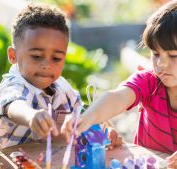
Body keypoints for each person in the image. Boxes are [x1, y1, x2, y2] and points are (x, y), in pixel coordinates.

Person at [0, 3, 121, 149]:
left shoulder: (63, 88)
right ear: (13, 55)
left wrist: (104, 131)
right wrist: (30, 116)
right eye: (36, 56)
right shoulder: (13, 85)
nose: (47, 65)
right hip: (10, 162)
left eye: (56, 59)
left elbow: (83, 115)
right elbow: (13, 105)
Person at [73, 1, 177, 168]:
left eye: (173, 55)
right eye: (155, 53)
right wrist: (88, 117)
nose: (161, 64)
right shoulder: (149, 81)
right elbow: (118, 97)